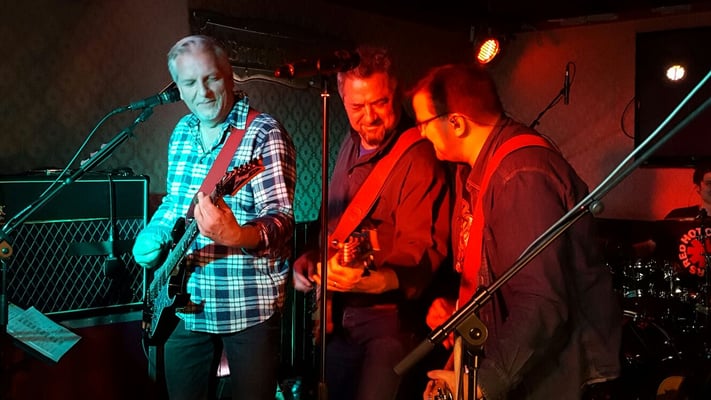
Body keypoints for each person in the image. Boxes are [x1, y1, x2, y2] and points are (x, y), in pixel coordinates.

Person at [409, 63, 622, 400]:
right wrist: (461, 308)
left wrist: (483, 384)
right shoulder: (478, 171)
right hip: (529, 368)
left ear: (457, 123)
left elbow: (541, 300)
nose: (421, 133)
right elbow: (503, 277)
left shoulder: (520, 176)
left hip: (557, 376)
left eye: (423, 123)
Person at [131, 35, 296, 400]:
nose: (202, 92)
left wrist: (238, 235)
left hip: (247, 304)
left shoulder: (264, 132)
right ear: (178, 88)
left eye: (212, 79)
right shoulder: (181, 133)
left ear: (229, 75)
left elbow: (281, 219)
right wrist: (154, 232)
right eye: (190, 83)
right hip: (184, 303)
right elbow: (175, 204)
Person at [292, 45, 452, 400]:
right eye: (357, 107)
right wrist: (310, 260)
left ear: (397, 93)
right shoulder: (349, 145)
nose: (370, 117)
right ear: (341, 99)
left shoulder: (419, 157)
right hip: (340, 320)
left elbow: (421, 254)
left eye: (380, 103)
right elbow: (332, 224)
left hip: (390, 325)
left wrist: (374, 281)